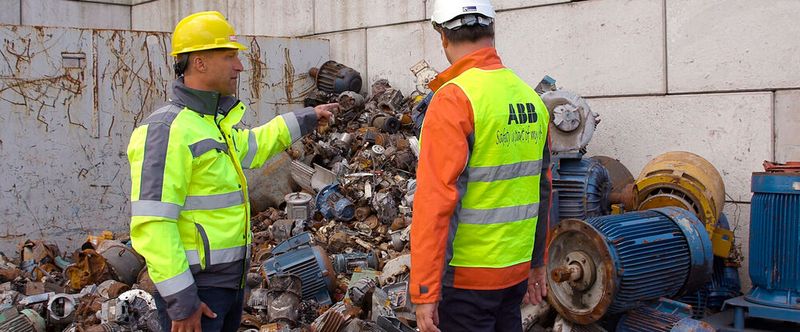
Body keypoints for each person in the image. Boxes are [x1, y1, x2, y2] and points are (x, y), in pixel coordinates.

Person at [126, 11, 336, 332]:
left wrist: (307, 117)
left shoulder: (211, 124)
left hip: (228, 286)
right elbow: (153, 224)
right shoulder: (166, 130)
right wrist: (182, 300)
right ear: (200, 62)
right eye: (229, 57)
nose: (239, 66)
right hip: (197, 292)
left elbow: (253, 146)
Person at [409, 0, 552, 331]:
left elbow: (436, 202)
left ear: (443, 37)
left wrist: (425, 289)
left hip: (467, 279)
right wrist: (537, 262)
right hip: (515, 272)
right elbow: (543, 188)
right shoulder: (530, 98)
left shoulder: (454, 100)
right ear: (492, 30)